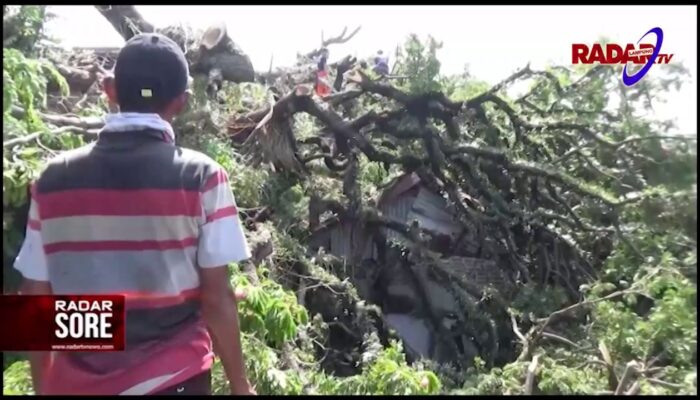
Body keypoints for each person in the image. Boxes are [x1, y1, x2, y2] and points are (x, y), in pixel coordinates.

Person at [13, 33, 256, 396]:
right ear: (182, 102)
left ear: (109, 89)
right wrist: (241, 386)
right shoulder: (202, 177)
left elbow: (34, 295)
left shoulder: (52, 179)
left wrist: (46, 387)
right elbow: (215, 297)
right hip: (175, 381)